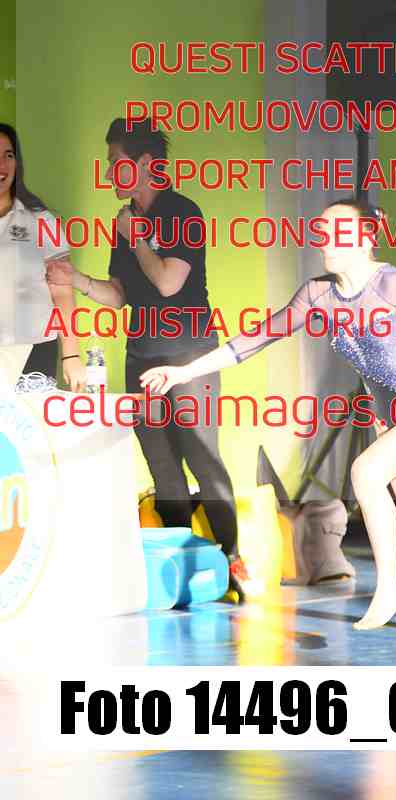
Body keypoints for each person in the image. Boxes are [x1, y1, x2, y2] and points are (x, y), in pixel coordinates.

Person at [139, 196, 396, 650]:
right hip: (395, 427)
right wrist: (183, 372)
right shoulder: (317, 295)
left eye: (337, 230)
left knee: (365, 471)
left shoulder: (394, 283)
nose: (325, 238)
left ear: (365, 237)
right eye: (322, 230)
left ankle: (389, 588)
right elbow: (258, 337)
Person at [45, 118, 256, 600]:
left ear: (143, 164)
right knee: (162, 466)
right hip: (141, 357)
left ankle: (232, 559)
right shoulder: (125, 222)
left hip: (189, 357)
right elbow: (119, 295)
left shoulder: (182, 211)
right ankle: (180, 564)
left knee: (203, 458)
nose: (108, 171)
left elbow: (167, 283)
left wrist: (137, 235)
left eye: (115, 162)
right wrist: (76, 280)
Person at [0, 123, 85, 389]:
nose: (2, 164)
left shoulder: (40, 219)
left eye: (8, 155)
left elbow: (62, 290)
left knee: (30, 417)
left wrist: (71, 355)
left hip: (34, 349)